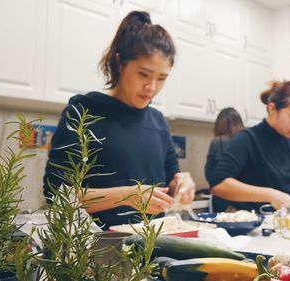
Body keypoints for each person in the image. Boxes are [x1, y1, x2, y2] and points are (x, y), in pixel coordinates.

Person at [43, 11, 195, 230]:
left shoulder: (158, 121)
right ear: (120, 63)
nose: (152, 87)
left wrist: (182, 186)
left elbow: (169, 188)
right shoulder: (83, 111)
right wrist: (127, 195)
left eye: (161, 78)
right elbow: (57, 196)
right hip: (95, 253)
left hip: (152, 251)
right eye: (143, 74)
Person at [209, 81, 290, 212]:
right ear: (272, 108)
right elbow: (219, 184)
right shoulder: (246, 139)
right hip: (245, 225)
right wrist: (270, 195)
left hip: (278, 225)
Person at [204, 107, 245, 212]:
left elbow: (210, 174)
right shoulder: (246, 142)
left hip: (223, 200)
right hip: (246, 199)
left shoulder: (218, 142)